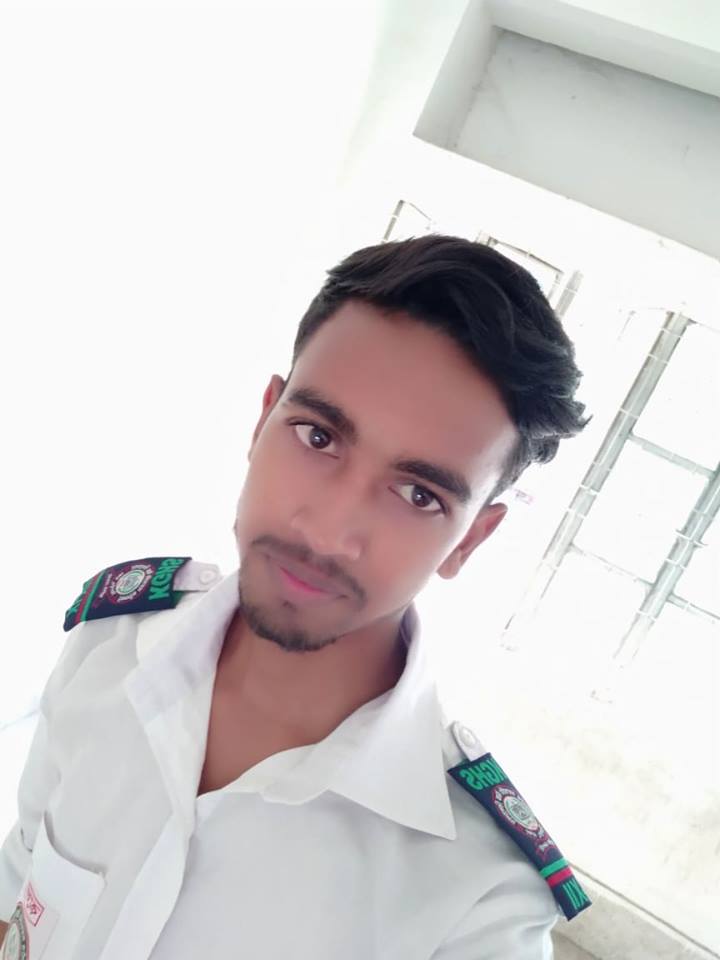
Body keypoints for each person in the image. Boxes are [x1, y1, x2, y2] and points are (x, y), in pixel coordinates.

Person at [0, 234, 592, 959]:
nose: (328, 531)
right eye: (317, 437)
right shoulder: (105, 649)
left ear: (471, 540)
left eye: (418, 494)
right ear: (262, 421)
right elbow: (16, 899)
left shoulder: (480, 901)